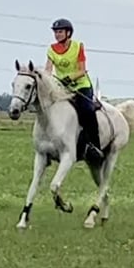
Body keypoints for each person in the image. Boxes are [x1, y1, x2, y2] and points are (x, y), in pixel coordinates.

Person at [45, 17, 105, 163]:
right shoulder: (51, 49)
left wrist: (69, 78)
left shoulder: (78, 46)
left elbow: (82, 70)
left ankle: (94, 147)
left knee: (87, 111)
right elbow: (48, 70)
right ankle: (46, 147)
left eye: (60, 32)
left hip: (81, 87)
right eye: (56, 32)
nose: (57, 34)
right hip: (62, 89)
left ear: (68, 33)